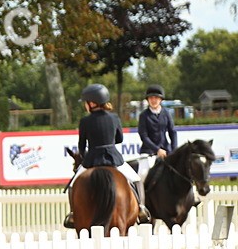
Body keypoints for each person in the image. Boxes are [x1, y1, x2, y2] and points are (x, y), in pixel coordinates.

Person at [64, 83, 151, 228]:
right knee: (136, 180)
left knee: (73, 185)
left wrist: (85, 156)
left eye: (86, 103)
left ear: (92, 103)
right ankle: (141, 208)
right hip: (113, 158)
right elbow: (120, 139)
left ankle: (73, 214)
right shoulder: (114, 118)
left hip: (92, 159)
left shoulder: (85, 121)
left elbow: (81, 145)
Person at [137, 84, 177, 176]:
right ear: (148, 100)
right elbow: (144, 136)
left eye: (156, 98)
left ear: (160, 99)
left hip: (166, 150)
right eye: (151, 98)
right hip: (148, 151)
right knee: (142, 174)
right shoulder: (143, 115)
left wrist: (174, 150)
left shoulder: (166, 113)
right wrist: (157, 150)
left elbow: (172, 132)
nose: (153, 100)